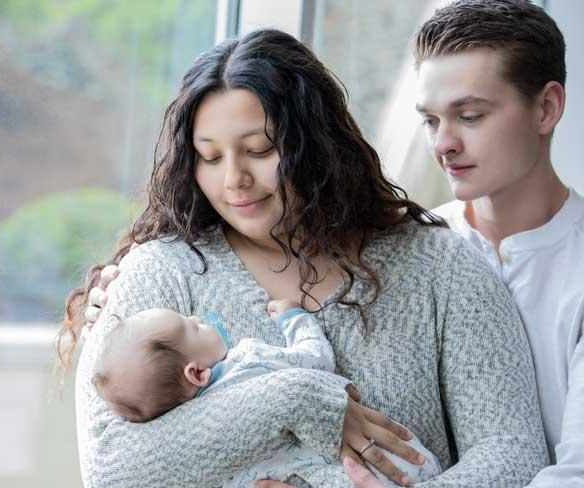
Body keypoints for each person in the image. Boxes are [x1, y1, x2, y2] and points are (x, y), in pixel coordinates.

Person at [60, 28, 547, 488]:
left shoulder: (438, 265)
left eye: (259, 149)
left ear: (317, 144)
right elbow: (112, 469)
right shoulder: (160, 274)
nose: (234, 180)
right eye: (209, 156)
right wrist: (296, 398)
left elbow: (513, 451)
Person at [345, 1, 584, 487]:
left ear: (547, 107)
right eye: (431, 121)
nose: (443, 144)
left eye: (469, 116)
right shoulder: (407, 250)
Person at [93, 300, 441, 487]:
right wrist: (295, 320)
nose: (197, 316)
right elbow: (315, 362)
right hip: (393, 468)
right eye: (192, 325)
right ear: (196, 373)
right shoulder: (251, 361)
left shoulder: (192, 448)